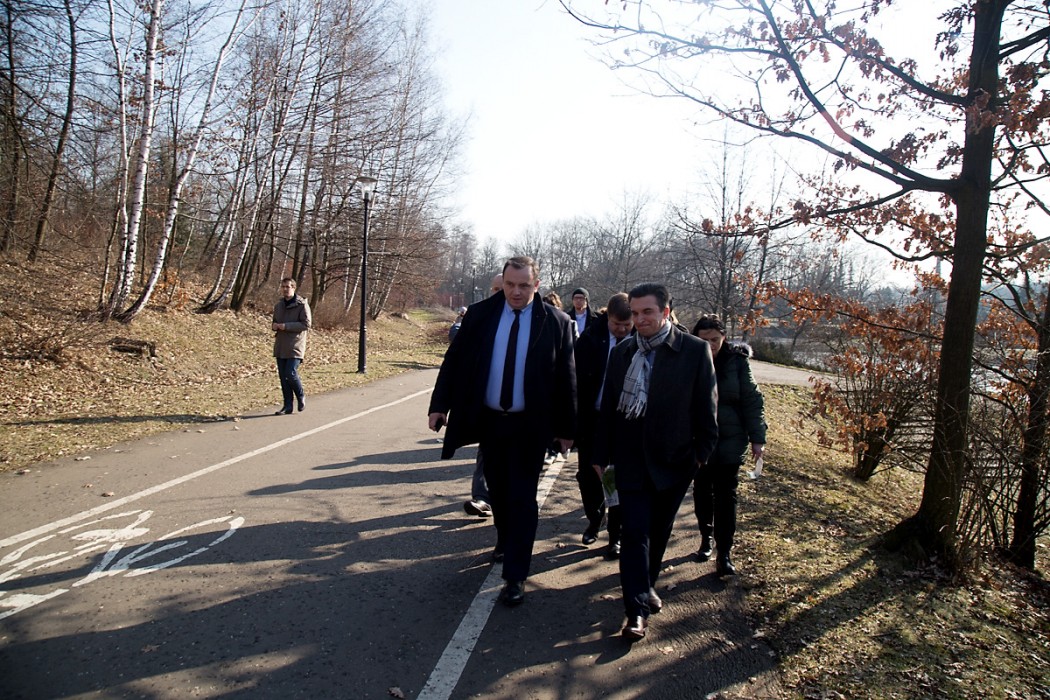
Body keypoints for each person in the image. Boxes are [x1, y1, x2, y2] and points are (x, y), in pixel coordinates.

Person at [429, 257, 577, 606]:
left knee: (523, 497)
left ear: (536, 286)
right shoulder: (481, 316)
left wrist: (568, 428)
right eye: (510, 284)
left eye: (524, 285)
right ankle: (505, 539)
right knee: (497, 489)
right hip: (490, 421)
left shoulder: (555, 322)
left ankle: (515, 575)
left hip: (531, 424)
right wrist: (439, 405)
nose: (516, 291)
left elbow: (567, 378)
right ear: (503, 283)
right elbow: (454, 360)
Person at [593, 283, 718, 640]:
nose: (639, 319)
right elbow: (610, 409)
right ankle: (635, 611)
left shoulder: (693, 351)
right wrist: (600, 454)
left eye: (647, 312)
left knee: (658, 530)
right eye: (634, 313)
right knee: (634, 532)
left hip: (675, 461)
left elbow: (706, 406)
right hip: (630, 459)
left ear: (665, 312)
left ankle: (647, 584)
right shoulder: (623, 352)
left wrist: (700, 455)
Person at [690, 315, 767, 577]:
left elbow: (752, 400)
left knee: (726, 496)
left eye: (715, 339)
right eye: (704, 340)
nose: (710, 345)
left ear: (724, 337)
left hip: (731, 438)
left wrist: (758, 438)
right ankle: (705, 537)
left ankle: (725, 552)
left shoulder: (737, 362)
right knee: (702, 490)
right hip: (698, 439)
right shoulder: (688, 359)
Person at [574, 292, 633, 559]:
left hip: (625, 421)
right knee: (588, 475)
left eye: (626, 325)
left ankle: (616, 535)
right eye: (616, 324)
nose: (621, 330)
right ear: (607, 316)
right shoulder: (590, 338)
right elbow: (574, 379)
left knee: (616, 476)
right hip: (592, 419)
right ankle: (594, 518)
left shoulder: (640, 341)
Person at [462, 273, 503, 519]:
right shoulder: (480, 317)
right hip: (488, 404)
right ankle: (481, 497)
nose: (499, 293)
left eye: (504, 288)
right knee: (485, 453)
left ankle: (500, 500)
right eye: (496, 288)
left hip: (521, 411)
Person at [272, 277, 312, 415]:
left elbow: (306, 324)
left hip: (295, 345)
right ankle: (287, 406)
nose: (285, 289)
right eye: (283, 286)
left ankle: (300, 396)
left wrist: (286, 326)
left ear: (293, 288)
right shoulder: (278, 306)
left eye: (288, 287)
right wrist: (275, 326)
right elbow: (275, 322)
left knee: (291, 372)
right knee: (283, 377)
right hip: (281, 345)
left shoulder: (302, 305)